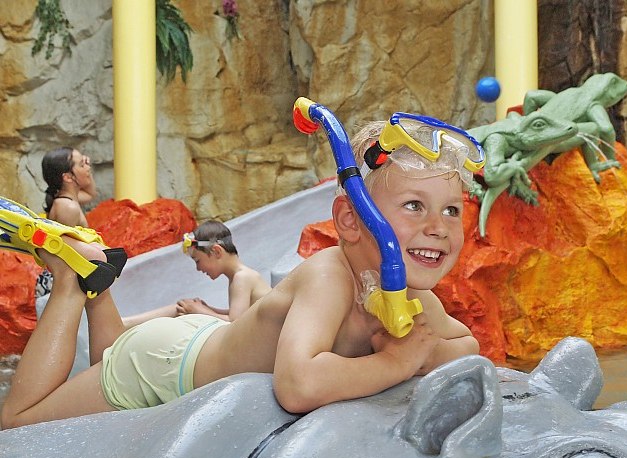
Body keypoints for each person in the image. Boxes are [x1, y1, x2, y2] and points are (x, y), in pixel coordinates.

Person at [1, 116, 479, 429]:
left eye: (453, 211)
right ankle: (70, 280)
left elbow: (467, 346)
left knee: (107, 355)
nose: (438, 228)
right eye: (415, 206)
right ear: (350, 222)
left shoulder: (417, 301)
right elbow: (298, 385)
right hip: (170, 366)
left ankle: (98, 284)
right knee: (20, 424)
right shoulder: (331, 276)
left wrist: (419, 347)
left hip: (204, 337)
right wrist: (394, 363)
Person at [121, 220, 271, 328]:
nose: (198, 269)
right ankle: (125, 323)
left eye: (197, 260)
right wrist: (208, 309)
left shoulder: (242, 277)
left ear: (216, 251)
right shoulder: (238, 277)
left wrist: (201, 311)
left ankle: (125, 324)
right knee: (183, 307)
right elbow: (242, 313)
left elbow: (235, 323)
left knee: (183, 308)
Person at [35, 147, 98, 297]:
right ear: (68, 177)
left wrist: (83, 166)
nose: (88, 167)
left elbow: (91, 193)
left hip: (63, 278)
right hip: (60, 282)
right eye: (82, 165)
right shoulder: (67, 207)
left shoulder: (69, 199)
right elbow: (64, 253)